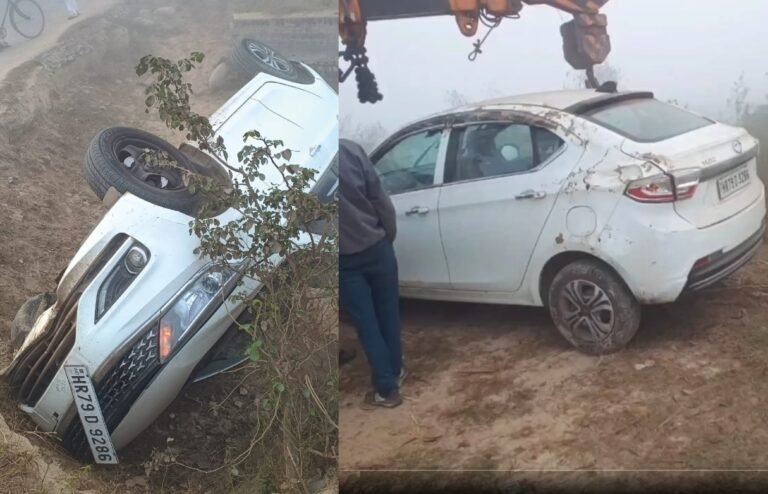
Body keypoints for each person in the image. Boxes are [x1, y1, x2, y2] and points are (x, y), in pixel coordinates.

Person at [339, 138, 405, 408]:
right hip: (377, 247)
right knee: (389, 312)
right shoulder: (349, 150)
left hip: (344, 260)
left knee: (367, 324)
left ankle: (386, 389)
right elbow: (380, 199)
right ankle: (396, 371)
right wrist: (386, 237)